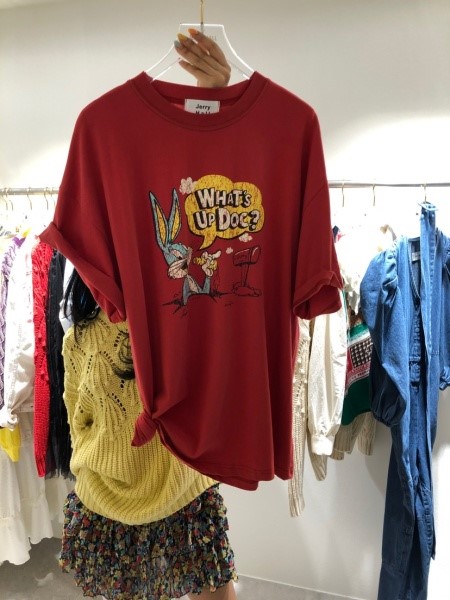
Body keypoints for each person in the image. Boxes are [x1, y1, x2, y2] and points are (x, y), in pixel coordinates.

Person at [58, 31, 238, 600]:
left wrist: (215, 104)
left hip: (153, 489)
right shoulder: (94, 320)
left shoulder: (144, 307)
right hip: (129, 495)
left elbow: (78, 416)